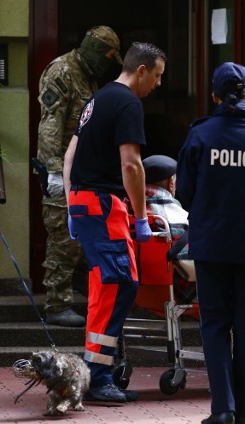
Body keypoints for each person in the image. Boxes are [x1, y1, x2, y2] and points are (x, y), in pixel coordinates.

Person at [176, 62, 245, 424]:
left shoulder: (200, 135)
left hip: (211, 244)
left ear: (213, 95)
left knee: (214, 325)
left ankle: (222, 409)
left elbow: (184, 193)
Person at [62, 42, 166, 403]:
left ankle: (96, 370)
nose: (157, 84)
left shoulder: (97, 99)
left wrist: (70, 205)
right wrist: (140, 218)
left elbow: (70, 155)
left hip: (85, 202)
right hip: (105, 206)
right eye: (156, 75)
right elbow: (131, 165)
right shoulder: (127, 103)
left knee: (104, 288)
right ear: (141, 70)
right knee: (119, 284)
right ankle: (99, 376)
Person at [36, 26, 122, 327]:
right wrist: (56, 174)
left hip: (83, 171)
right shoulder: (62, 71)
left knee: (83, 238)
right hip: (61, 171)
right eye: (109, 57)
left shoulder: (89, 77)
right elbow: (50, 126)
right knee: (63, 238)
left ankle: (86, 299)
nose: (110, 65)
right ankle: (57, 304)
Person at [142, 155, 196, 309]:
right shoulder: (178, 218)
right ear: (171, 182)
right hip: (180, 298)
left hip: (137, 295)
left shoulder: (127, 212)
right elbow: (193, 271)